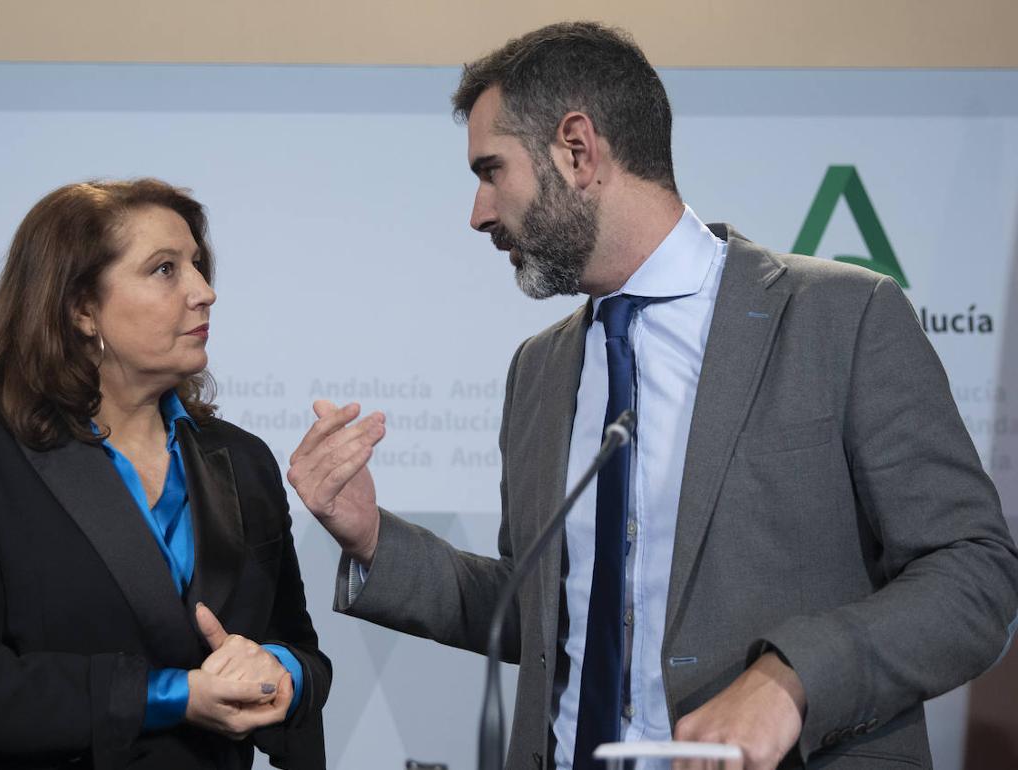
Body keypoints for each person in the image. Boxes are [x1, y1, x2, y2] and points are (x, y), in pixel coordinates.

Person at [286, 22, 1018, 770]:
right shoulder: (537, 370)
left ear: (577, 149)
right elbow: (540, 615)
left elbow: (975, 573)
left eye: (490, 170)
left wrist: (791, 679)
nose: (478, 211)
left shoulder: (842, 317)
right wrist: (372, 537)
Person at [0, 179, 329, 770]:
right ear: (81, 308)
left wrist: (281, 671)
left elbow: (301, 651)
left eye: (198, 265)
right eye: (165, 270)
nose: (205, 292)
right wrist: (173, 697)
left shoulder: (243, 459)